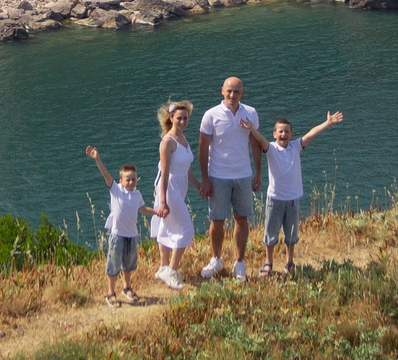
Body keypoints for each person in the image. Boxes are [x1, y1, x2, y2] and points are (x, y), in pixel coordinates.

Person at [197, 75, 266, 282]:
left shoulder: (250, 113)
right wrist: (205, 179)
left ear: (242, 93)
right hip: (218, 175)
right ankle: (216, 259)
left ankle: (239, 262)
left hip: (243, 175)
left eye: (236, 91)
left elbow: (255, 143)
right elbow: (203, 148)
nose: (232, 95)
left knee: (242, 219)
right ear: (222, 91)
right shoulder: (211, 115)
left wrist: (258, 173)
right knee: (217, 220)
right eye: (229, 90)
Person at [260, 111, 343, 276]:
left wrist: (327, 123)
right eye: (280, 131)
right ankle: (268, 262)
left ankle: (289, 262)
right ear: (274, 134)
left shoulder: (296, 146)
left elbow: (312, 133)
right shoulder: (271, 148)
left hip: (293, 199)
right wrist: (250, 128)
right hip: (275, 199)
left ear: (291, 134)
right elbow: (259, 139)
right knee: (270, 234)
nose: (283, 134)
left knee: (291, 235)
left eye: (287, 131)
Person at [86, 146, 153, 304]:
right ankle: (110, 293)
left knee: (129, 265)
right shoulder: (116, 190)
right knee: (113, 264)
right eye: (127, 179)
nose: (131, 182)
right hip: (117, 235)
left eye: (133, 179)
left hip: (132, 235)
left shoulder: (137, 194)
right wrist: (97, 159)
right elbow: (106, 175)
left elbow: (143, 210)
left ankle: (126, 288)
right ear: (121, 181)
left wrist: (157, 212)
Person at [148, 100, 197, 289]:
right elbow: (165, 172)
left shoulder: (183, 138)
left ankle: (163, 267)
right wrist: (162, 201)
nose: (183, 121)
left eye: (185, 118)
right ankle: (171, 271)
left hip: (180, 186)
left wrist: (199, 186)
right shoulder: (167, 142)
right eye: (179, 118)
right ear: (171, 118)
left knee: (166, 227)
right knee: (186, 230)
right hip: (169, 188)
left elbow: (185, 168)